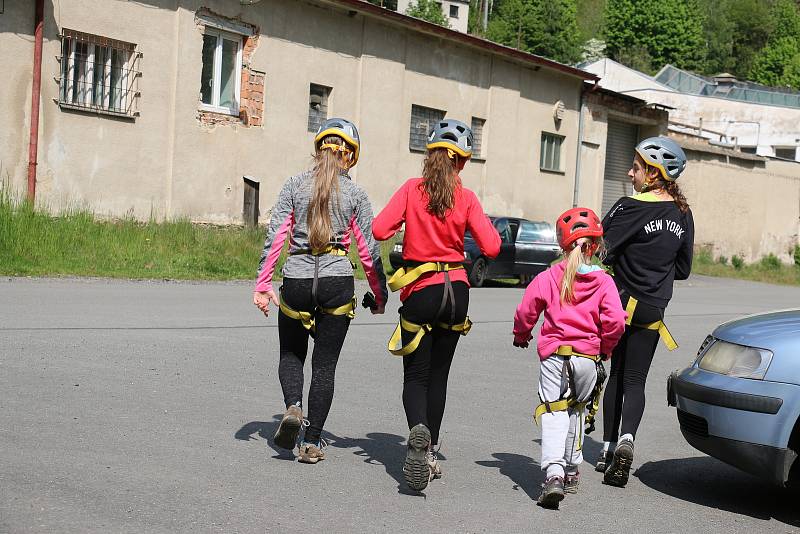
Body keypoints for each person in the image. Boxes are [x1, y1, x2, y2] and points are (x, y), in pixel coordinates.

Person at [372, 119, 500, 491]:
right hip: (457, 292)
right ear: (461, 162)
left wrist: (409, 226)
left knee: (416, 376)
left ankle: (418, 433)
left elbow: (380, 230)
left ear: (430, 155)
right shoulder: (467, 197)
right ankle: (429, 453)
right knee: (439, 376)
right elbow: (491, 247)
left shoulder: (413, 189)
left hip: (422, 290)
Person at [253, 118, 388, 464]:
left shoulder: (294, 186)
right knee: (324, 368)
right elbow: (369, 250)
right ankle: (311, 442)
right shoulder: (356, 194)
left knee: (291, 356)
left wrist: (263, 285)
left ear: (318, 150)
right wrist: (380, 294)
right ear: (351, 156)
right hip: (336, 283)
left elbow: (276, 237)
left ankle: (293, 407)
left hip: (296, 280)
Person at [513, 207, 626, 509]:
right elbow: (615, 320)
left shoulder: (550, 275)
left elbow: (527, 311)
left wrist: (521, 335)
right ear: (597, 246)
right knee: (575, 410)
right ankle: (573, 470)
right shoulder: (604, 282)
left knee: (553, 411)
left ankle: (554, 475)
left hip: (555, 357)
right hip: (588, 359)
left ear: (562, 245)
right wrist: (606, 347)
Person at [598, 136, 694, 487]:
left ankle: (607, 449)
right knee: (636, 380)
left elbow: (602, 249)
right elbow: (683, 268)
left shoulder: (629, 206)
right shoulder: (683, 213)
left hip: (620, 303)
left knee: (617, 375)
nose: (630, 173)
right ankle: (627, 441)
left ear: (653, 174)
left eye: (636, 168)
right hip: (653, 308)